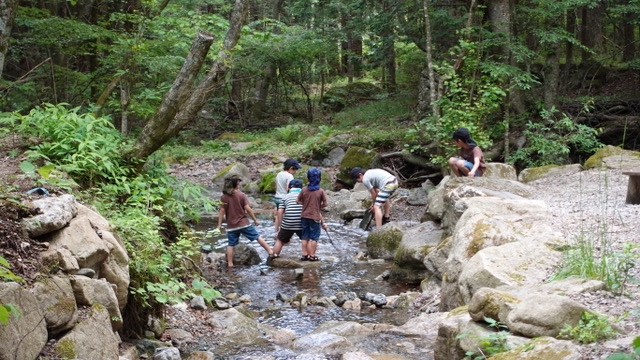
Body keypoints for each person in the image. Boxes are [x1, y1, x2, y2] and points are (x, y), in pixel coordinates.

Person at [216, 175, 274, 267]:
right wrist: (255, 220)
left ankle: (230, 264)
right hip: (243, 224)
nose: (239, 184)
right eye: (238, 183)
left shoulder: (223, 197)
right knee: (257, 237)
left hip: (231, 226)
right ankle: (270, 251)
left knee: (230, 244)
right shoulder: (241, 195)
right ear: (235, 184)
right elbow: (248, 209)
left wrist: (219, 225)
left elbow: (221, 211)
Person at [296, 168, 328, 261]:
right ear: (319, 179)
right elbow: (326, 204)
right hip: (315, 217)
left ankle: (304, 254)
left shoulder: (304, 190)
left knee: (305, 236)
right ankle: (312, 255)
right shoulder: (321, 191)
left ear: (308, 178)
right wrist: (318, 207)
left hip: (304, 216)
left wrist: (305, 205)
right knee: (314, 237)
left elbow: (297, 200)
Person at [272, 179, 304, 259]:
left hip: (288, 223)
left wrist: (280, 225)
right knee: (306, 239)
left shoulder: (285, 197)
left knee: (280, 240)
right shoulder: (304, 196)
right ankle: (308, 256)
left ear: (289, 188)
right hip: (302, 222)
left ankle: (274, 256)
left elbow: (280, 212)